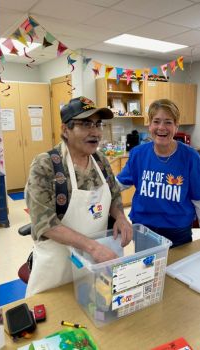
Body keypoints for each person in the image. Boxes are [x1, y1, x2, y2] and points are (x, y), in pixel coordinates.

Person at [25, 96, 133, 297]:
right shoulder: (45, 165)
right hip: (58, 269)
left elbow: (115, 195)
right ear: (65, 130)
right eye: (85, 124)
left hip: (94, 266)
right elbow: (45, 223)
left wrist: (120, 217)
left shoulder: (100, 161)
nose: (96, 133)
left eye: (98, 124)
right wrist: (93, 248)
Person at [117, 99, 200, 247]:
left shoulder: (190, 157)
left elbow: (198, 200)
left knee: (175, 269)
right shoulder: (138, 153)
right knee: (147, 269)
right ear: (149, 125)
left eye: (168, 122)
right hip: (143, 227)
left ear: (176, 126)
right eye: (156, 121)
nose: (161, 127)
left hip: (177, 230)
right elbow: (118, 185)